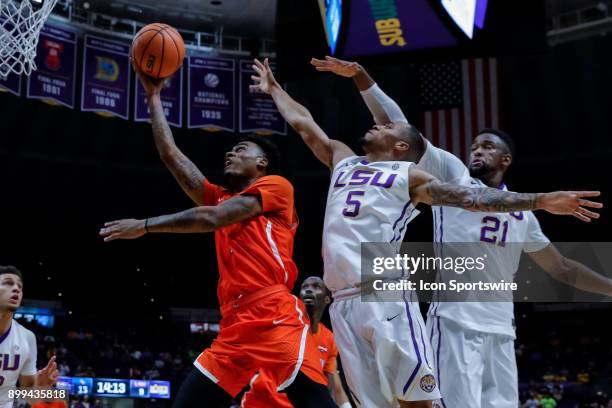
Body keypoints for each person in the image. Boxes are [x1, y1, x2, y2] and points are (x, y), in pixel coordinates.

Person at [250, 57, 601, 408]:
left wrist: (539, 201)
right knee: (373, 404)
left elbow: (475, 200)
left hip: (394, 295)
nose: (378, 125)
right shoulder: (345, 159)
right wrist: (275, 89)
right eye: (475, 145)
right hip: (348, 301)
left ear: (402, 146)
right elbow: (304, 123)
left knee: (419, 399)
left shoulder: (412, 176)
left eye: (386, 128)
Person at [99, 70, 335, 408]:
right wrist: (153, 99)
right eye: (230, 150)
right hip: (234, 323)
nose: (230, 153)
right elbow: (173, 158)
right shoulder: (221, 196)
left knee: (313, 402)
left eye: (241, 149)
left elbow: (213, 218)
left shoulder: (277, 187)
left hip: (274, 315)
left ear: (262, 162)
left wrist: (145, 225)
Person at [241, 276, 351, 407]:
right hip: (263, 402)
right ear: (299, 296)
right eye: (305, 287)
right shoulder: (282, 322)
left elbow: (335, 388)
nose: (309, 290)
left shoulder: (329, 338)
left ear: (327, 298)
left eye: (316, 287)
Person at [0, 265, 60, 408]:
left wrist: (41, 390)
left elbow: (28, 394)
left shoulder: (27, 337)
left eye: (19, 286)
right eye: (8, 283)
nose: (16, 288)